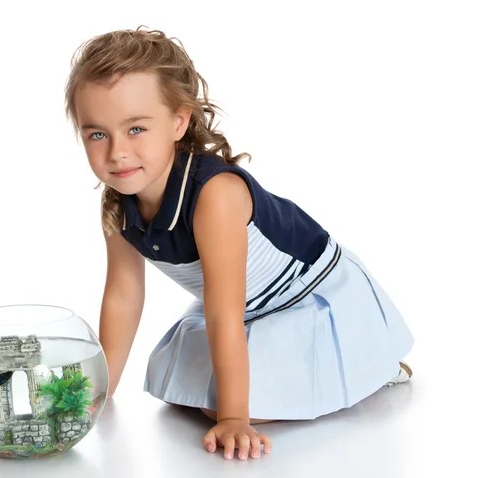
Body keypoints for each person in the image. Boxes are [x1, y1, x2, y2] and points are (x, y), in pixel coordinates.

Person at [63, 26, 415, 461]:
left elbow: (222, 309)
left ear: (178, 120)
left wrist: (233, 417)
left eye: (136, 129)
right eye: (97, 134)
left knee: (212, 405)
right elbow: (123, 294)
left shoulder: (216, 195)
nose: (116, 152)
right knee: (176, 390)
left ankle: (370, 366)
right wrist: (102, 389)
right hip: (246, 308)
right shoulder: (118, 203)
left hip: (307, 297)